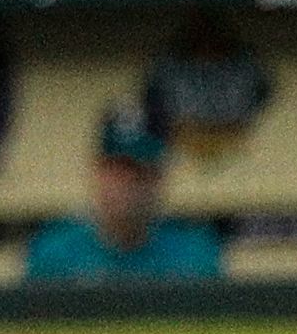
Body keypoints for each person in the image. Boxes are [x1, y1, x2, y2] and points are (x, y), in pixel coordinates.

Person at [21, 110, 222, 284]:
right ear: (97, 172)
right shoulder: (54, 253)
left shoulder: (194, 253)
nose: (126, 184)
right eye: (117, 169)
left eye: (139, 171)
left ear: (159, 178)